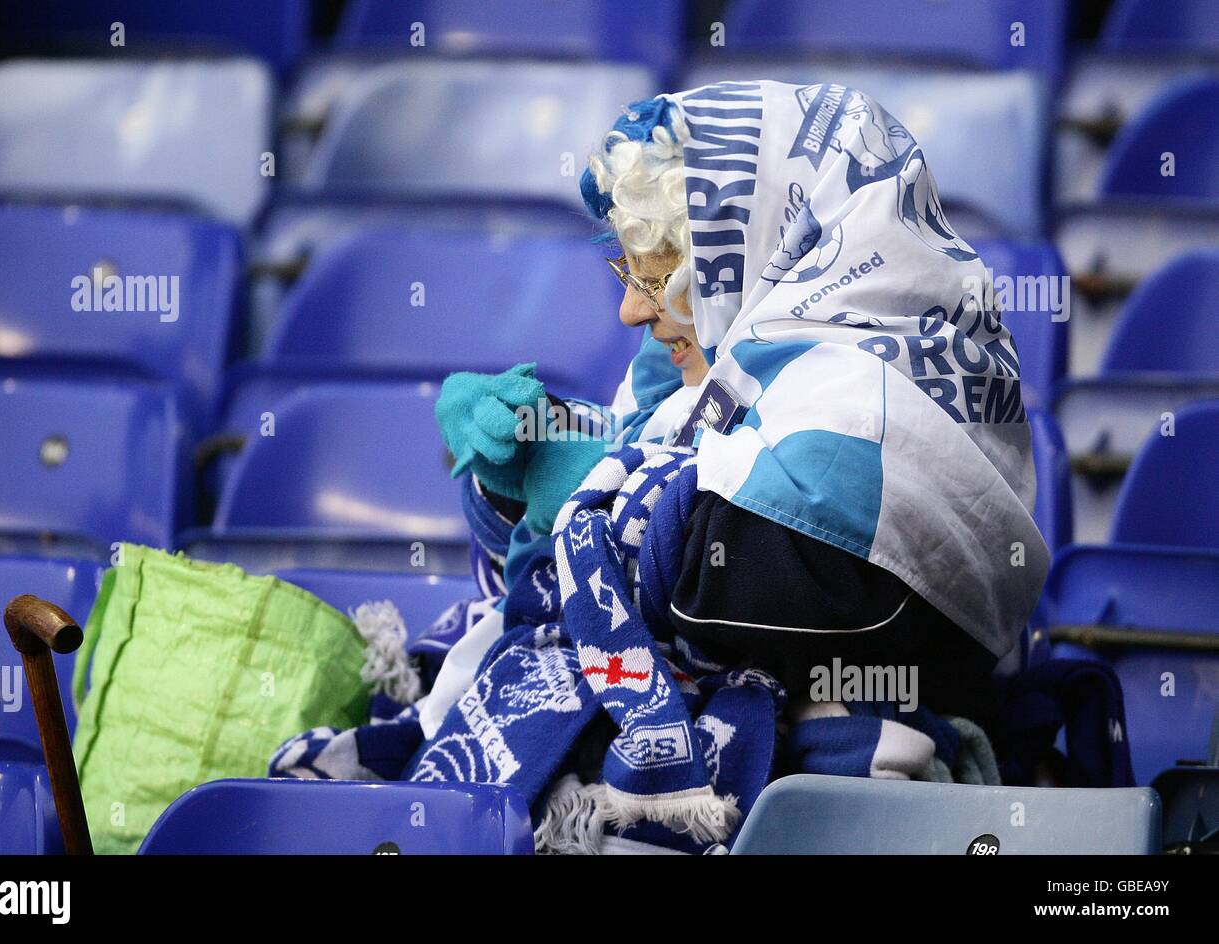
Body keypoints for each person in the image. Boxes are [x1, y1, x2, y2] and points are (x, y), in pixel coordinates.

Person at [434, 82, 1048, 722]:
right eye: (630, 270)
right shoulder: (709, 378)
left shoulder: (870, 417)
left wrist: (570, 481)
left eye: (655, 276)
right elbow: (649, 464)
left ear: (752, 254)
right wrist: (523, 458)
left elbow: (738, 595)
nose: (631, 310)